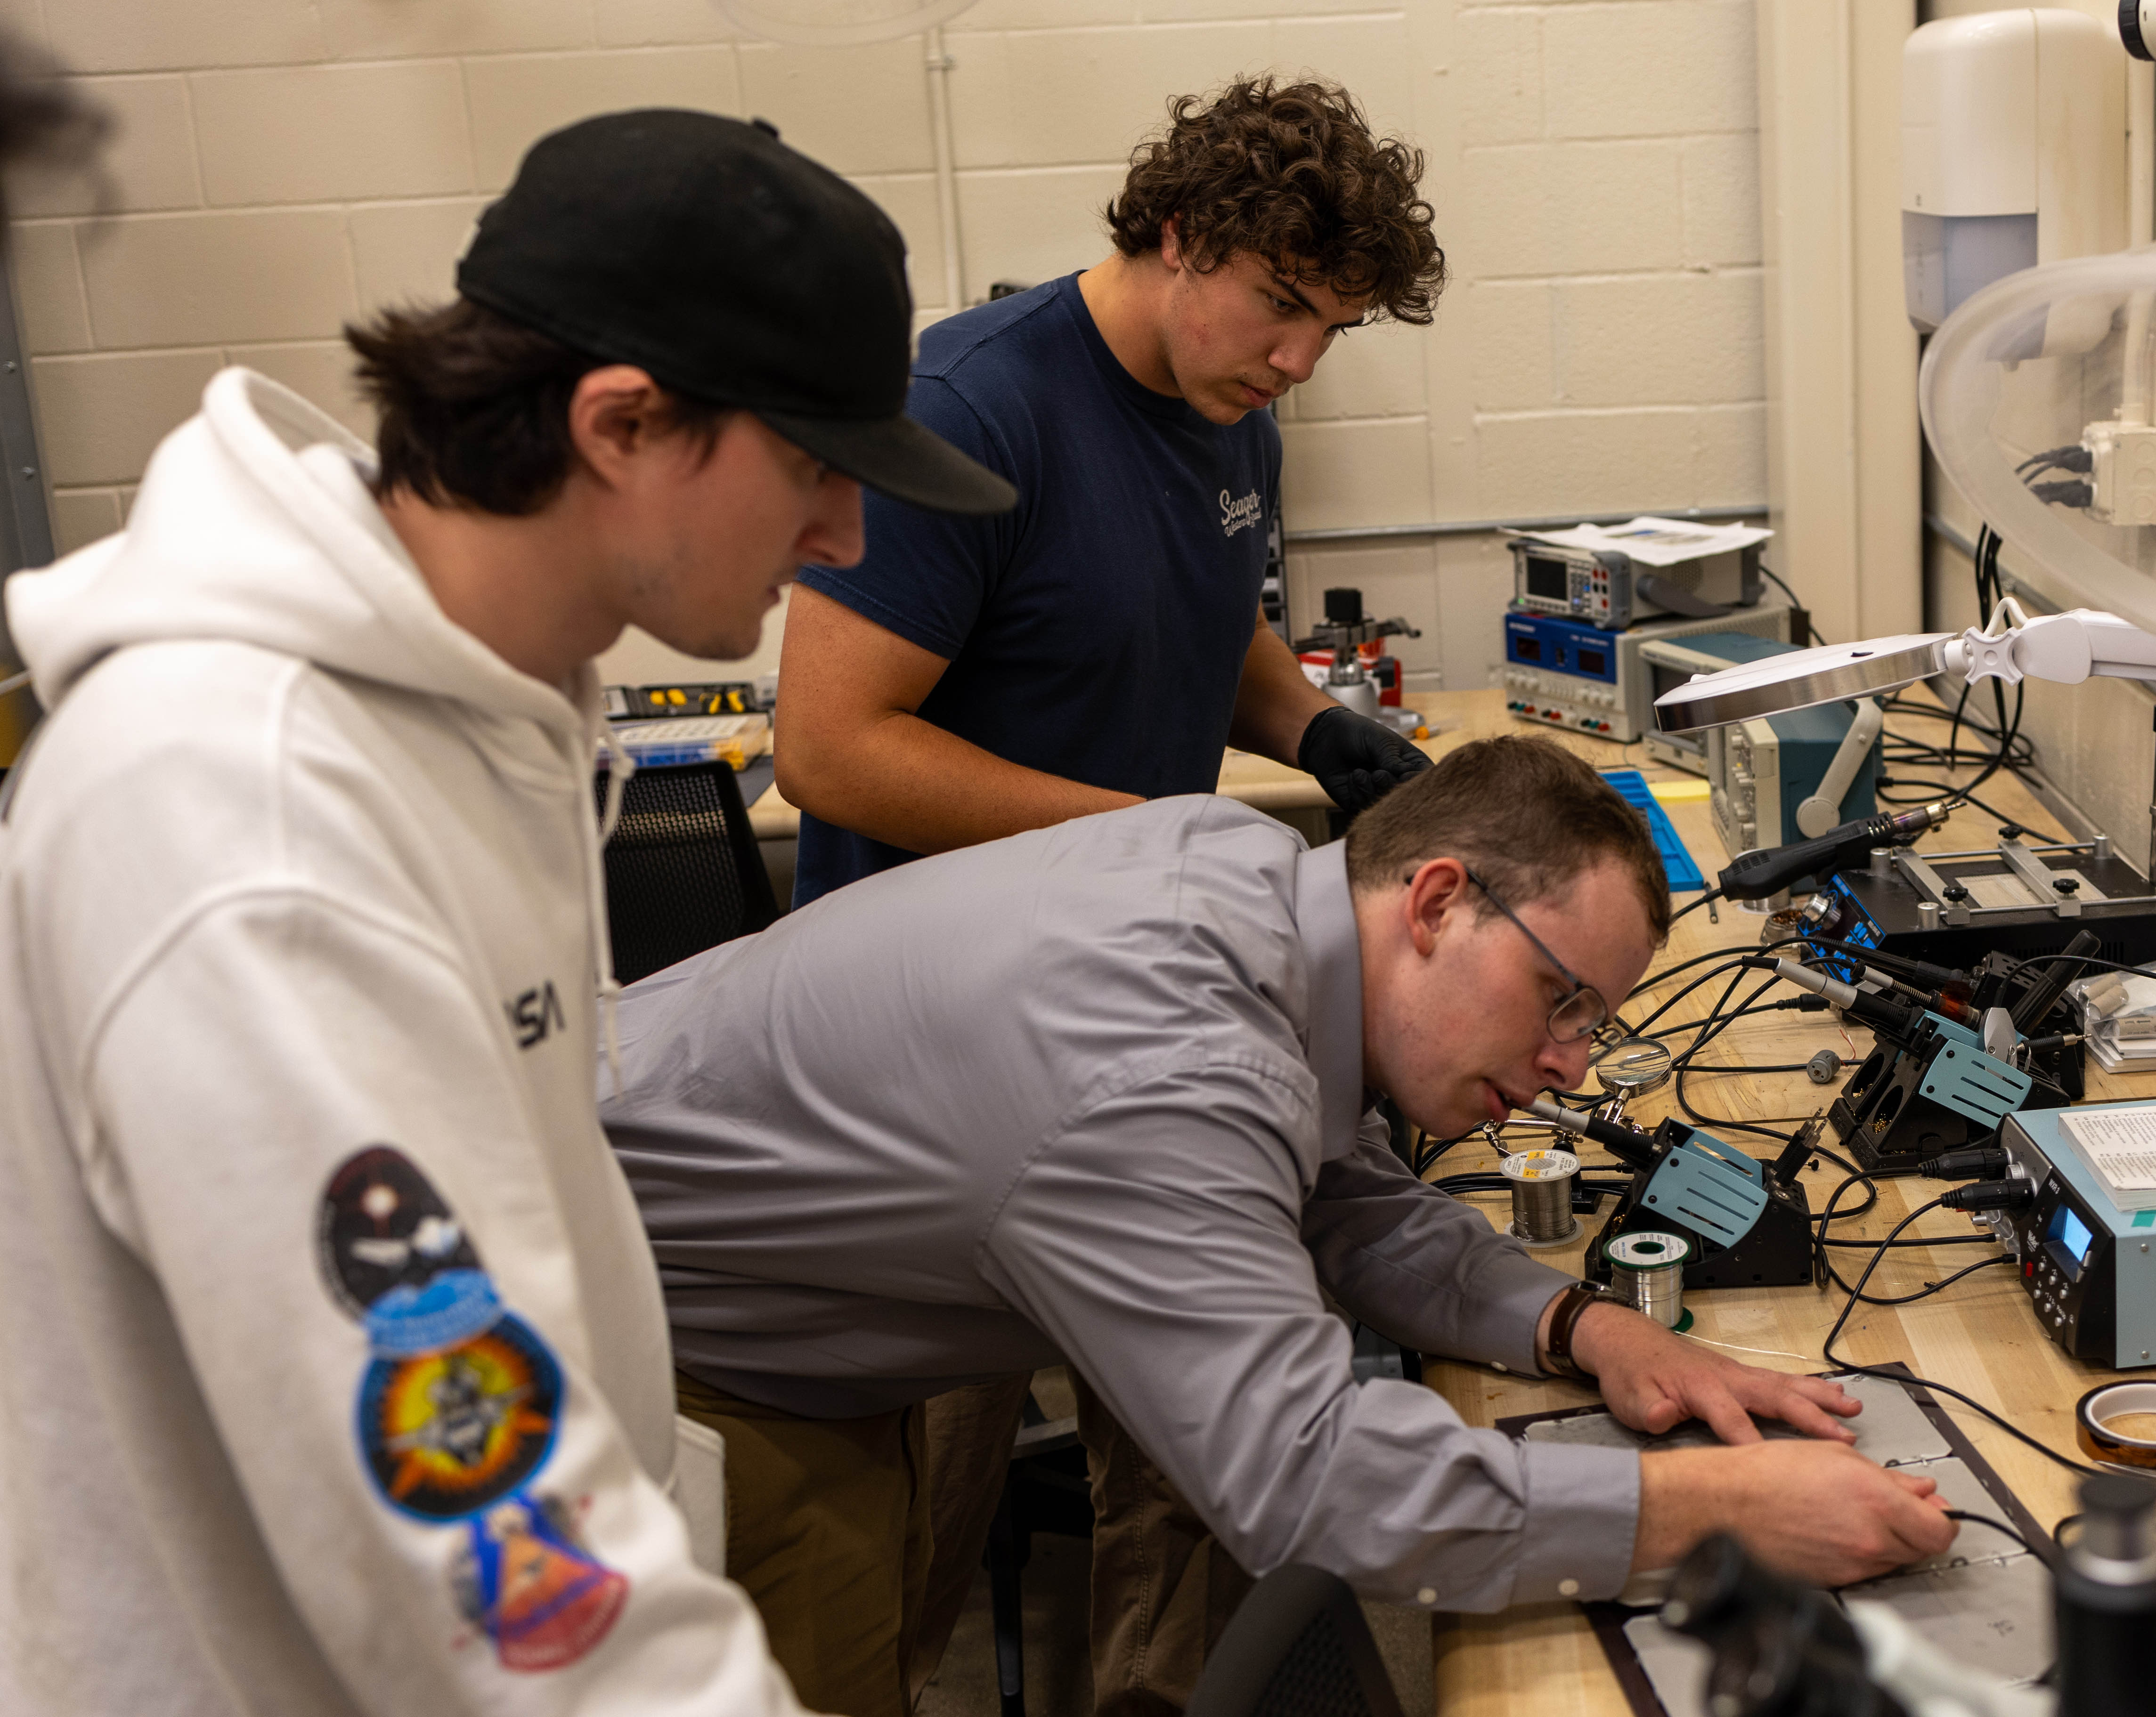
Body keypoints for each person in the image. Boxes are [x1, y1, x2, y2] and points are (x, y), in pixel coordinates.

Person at [0, 107, 1012, 1713]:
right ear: (620, 424)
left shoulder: (500, 718)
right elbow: (469, 1508)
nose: (847, 539)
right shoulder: (245, 813)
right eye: (816, 467)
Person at [601, 735, 1960, 1715]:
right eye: (1563, 1002)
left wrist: (1578, 1321)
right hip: (661, 1347)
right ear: (1435, 902)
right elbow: (1305, 1477)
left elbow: (1332, 1188)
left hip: (785, 1292)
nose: (1573, 1068)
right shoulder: (1162, 1070)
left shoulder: (1257, 877)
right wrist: (1713, 1513)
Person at [774, 73, 1445, 907]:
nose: (1298, 363)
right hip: (940, 979)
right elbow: (827, 753)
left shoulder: (1239, 419)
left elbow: (1194, 621)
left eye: (1330, 332)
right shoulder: (961, 411)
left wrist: (1312, 726)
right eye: (1281, 303)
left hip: (1116, 944)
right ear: (1182, 234)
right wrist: (1150, 842)